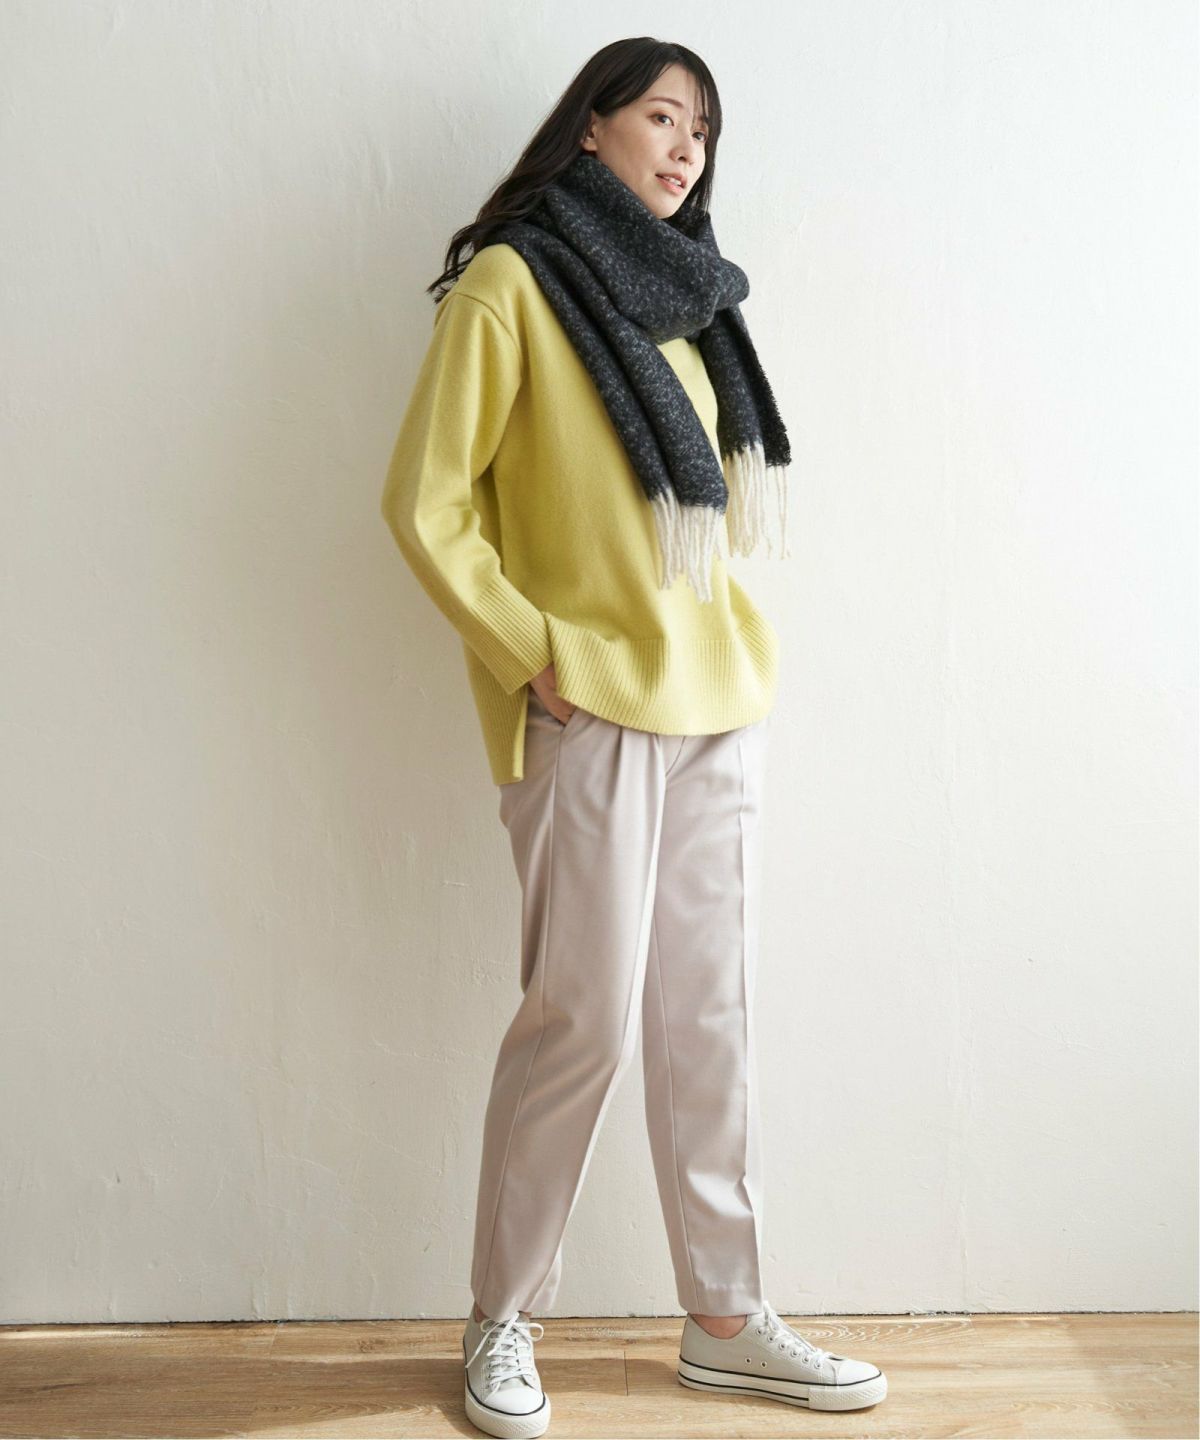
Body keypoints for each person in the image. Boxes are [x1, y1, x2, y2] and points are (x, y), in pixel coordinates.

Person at [381, 36, 888, 1439]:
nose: (686, 148)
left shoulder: (691, 298)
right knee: (583, 1020)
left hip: (717, 700)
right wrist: (532, 652)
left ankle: (723, 1319)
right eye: (663, 117)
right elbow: (425, 503)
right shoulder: (512, 284)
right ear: (592, 126)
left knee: (707, 1020)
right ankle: (501, 1317)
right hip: (590, 700)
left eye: (703, 131)